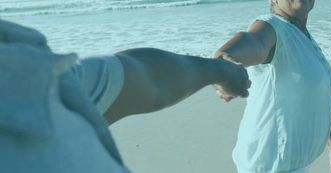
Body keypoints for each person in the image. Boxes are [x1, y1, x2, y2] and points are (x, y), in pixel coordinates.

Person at [0, 19, 250, 172]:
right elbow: (145, 78)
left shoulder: (22, 76)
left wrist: (220, 70)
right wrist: (221, 71)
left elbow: (145, 78)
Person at [213, 0, 331, 173]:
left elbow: (320, 99)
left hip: (297, 164)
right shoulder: (272, 27)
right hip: (268, 165)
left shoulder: (304, 37)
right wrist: (224, 61)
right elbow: (253, 41)